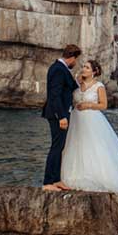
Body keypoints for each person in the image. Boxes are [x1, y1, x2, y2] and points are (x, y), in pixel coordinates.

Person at [55, 59, 118, 194]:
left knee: (94, 146)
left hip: (92, 119)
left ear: (94, 72)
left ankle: (97, 176)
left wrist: (88, 105)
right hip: (76, 119)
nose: (83, 69)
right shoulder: (77, 84)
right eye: (83, 67)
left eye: (87, 68)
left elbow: (103, 105)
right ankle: (71, 176)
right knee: (75, 146)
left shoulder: (99, 86)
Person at [41, 44, 81, 190]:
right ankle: (47, 182)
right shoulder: (58, 69)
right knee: (56, 147)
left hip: (61, 112)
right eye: (76, 60)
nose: (75, 63)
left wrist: (78, 81)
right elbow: (55, 95)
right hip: (58, 114)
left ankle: (56, 179)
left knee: (60, 146)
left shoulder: (60, 68)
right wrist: (61, 116)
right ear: (72, 57)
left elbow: (68, 88)